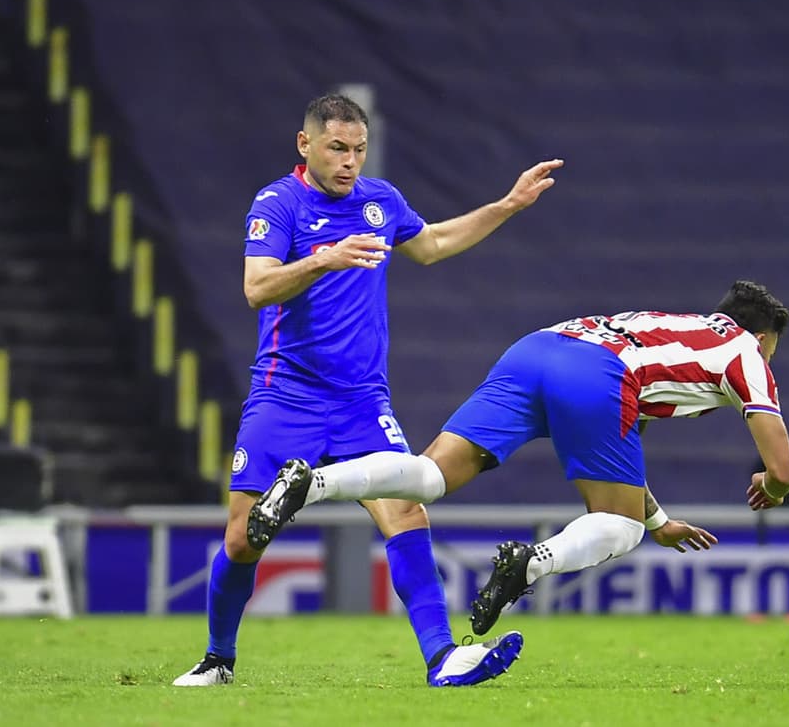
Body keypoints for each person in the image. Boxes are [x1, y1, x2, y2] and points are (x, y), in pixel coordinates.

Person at [174, 94, 561, 687]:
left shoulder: (380, 201)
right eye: (337, 148)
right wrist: (323, 260)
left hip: (361, 402)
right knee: (243, 538)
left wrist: (507, 205)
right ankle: (218, 660)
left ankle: (442, 657)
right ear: (305, 145)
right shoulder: (278, 204)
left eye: (358, 149)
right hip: (286, 396)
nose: (350, 161)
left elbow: (433, 244)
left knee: (406, 512)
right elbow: (257, 288)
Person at [247, 280, 789, 636]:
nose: (769, 361)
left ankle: (311, 483)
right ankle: (531, 563)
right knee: (620, 528)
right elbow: (782, 472)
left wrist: (659, 521)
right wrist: (770, 489)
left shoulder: (676, 331)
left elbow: (621, 458)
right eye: (772, 350)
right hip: (597, 375)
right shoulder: (745, 352)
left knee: (431, 475)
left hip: (538, 348)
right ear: (762, 337)